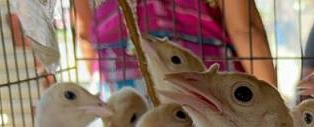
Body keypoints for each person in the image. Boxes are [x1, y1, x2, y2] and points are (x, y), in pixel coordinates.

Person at [75, 0, 277, 94]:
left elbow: (84, 34)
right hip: (209, 97)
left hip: (124, 95)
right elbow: (243, 30)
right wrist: (273, 104)